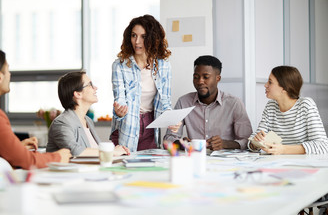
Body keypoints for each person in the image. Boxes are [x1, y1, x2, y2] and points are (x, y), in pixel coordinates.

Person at [0, 47, 71, 169]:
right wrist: (58, 157)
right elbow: (28, 161)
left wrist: (17, 148)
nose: (10, 75)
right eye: (8, 70)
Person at [111, 14, 180, 152]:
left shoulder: (164, 66)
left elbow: (165, 102)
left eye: (143, 37)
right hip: (126, 126)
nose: (137, 41)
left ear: (153, 39)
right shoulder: (120, 65)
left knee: (148, 170)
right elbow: (120, 99)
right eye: (134, 35)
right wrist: (119, 112)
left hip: (150, 127)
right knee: (123, 168)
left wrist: (171, 119)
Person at [164, 55, 253, 150]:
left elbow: (248, 141)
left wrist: (225, 144)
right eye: (196, 77)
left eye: (206, 77)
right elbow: (169, 139)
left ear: (218, 78)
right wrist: (182, 144)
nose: (200, 81)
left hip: (224, 162)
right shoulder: (183, 102)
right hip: (195, 159)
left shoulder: (234, 104)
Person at [47, 71, 130, 157]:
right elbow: (74, 152)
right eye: (90, 84)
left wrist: (116, 150)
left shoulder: (88, 121)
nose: (95, 88)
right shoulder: (61, 123)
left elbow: (96, 151)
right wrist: (112, 152)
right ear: (78, 94)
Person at [248, 66, 328, 154]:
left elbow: (323, 145)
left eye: (270, 82)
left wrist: (284, 150)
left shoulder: (305, 105)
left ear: (284, 88)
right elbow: (252, 142)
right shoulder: (270, 106)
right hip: (276, 164)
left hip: (302, 165)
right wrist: (256, 142)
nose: (265, 85)